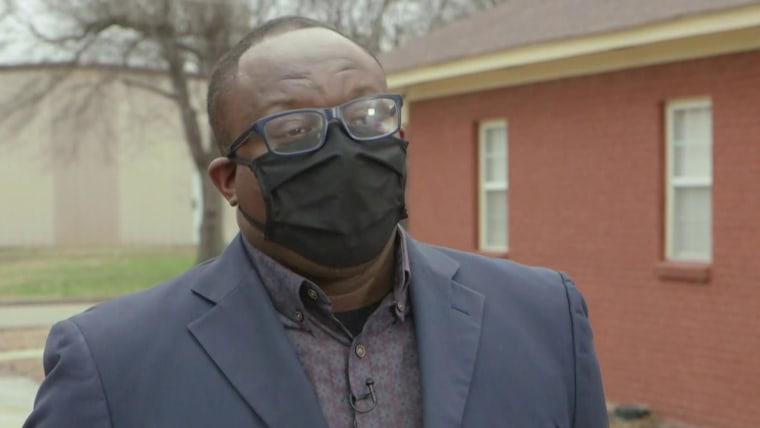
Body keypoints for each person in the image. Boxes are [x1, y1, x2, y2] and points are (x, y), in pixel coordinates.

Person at [24, 16, 608, 428]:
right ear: (228, 180)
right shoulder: (112, 365)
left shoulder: (545, 321)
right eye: (295, 129)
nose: (344, 148)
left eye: (368, 115)